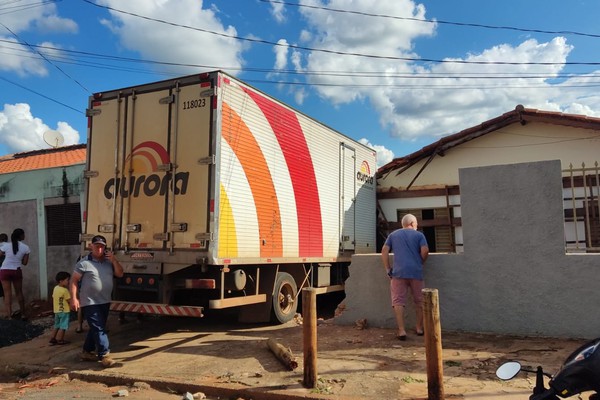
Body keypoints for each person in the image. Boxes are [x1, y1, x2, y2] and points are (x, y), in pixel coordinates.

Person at [69, 235, 123, 367]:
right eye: (97, 246)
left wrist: (114, 261)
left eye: (102, 246)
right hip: (89, 302)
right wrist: (74, 298)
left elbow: (120, 274)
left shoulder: (108, 262)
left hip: (104, 301)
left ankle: (87, 351)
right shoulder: (84, 263)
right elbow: (74, 281)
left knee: (96, 328)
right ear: (91, 246)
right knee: (99, 328)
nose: (99, 249)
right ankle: (104, 355)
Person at [381, 214, 429, 341]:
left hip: (398, 273)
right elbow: (425, 251)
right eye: (416, 224)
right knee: (420, 301)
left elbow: (384, 251)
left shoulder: (393, 235)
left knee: (398, 301)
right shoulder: (419, 235)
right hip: (416, 272)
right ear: (412, 223)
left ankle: (401, 330)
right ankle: (419, 328)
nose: (417, 226)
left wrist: (388, 269)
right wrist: (420, 262)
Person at [0, 228, 31, 319]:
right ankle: (23, 314)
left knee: (7, 294)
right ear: (21, 236)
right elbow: (25, 263)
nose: (24, 236)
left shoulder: (6, 246)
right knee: (19, 292)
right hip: (16, 271)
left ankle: (9, 316)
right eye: (24, 234)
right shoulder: (26, 248)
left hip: (4, 270)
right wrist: (18, 258)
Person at [49, 271, 71, 345]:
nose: (68, 282)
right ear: (61, 281)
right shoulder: (65, 291)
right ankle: (60, 339)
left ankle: (53, 338)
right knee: (63, 326)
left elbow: (54, 297)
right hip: (64, 311)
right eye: (67, 280)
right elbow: (69, 300)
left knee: (57, 325)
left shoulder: (55, 288)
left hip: (57, 310)